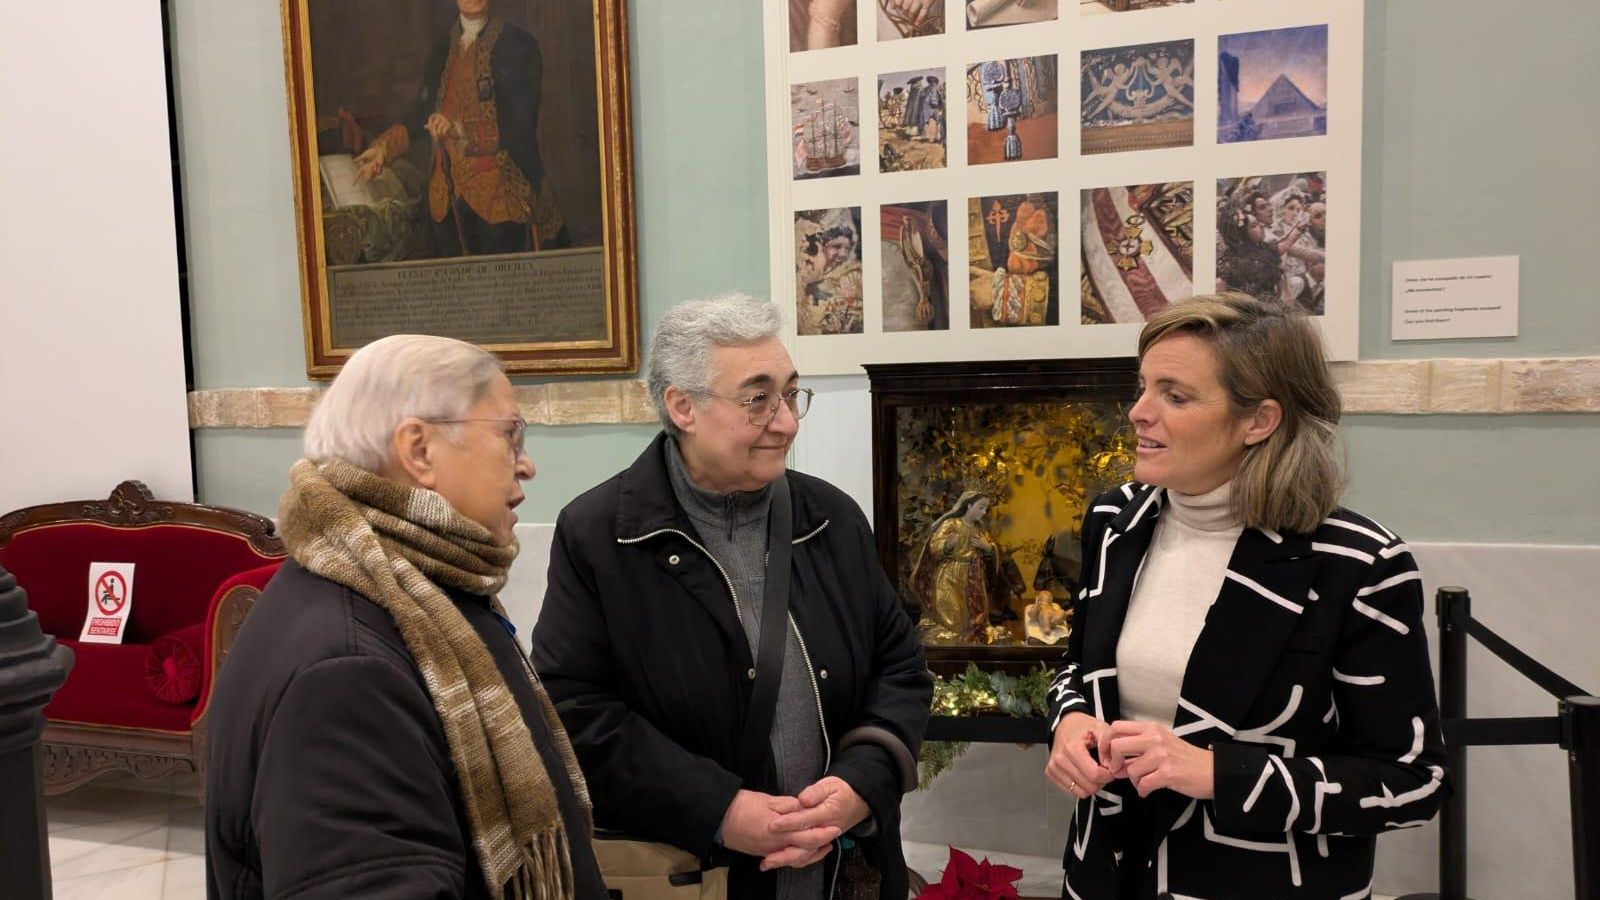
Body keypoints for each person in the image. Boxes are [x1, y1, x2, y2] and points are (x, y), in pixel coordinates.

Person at [1044, 294, 1447, 898]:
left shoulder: (1357, 563)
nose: (1137, 412)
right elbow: (1078, 665)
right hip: (1107, 871)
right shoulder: (1116, 521)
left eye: (1174, 396)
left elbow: (1413, 783)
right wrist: (1070, 719)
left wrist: (1219, 774)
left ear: (1259, 420)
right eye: (1143, 386)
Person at [531, 294, 932, 900]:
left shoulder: (832, 518)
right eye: (758, 398)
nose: (787, 422)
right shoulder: (601, 534)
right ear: (682, 406)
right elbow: (577, 711)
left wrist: (861, 784)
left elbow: (900, 666)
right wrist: (720, 809)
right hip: (702, 874)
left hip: (844, 873)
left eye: (791, 394)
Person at [205, 335, 605, 900]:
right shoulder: (347, 672)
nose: (527, 464)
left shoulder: (406, 589)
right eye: (508, 433)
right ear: (419, 450)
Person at [353, 0, 567, 256]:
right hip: (446, 203)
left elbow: (520, 126)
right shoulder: (442, 48)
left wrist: (459, 130)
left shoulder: (520, 45)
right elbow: (422, 113)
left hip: (505, 203)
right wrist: (383, 150)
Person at [909, 491, 997, 643]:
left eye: (985, 509)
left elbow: (990, 554)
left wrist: (987, 548)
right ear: (969, 505)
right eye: (981, 507)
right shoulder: (950, 524)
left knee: (973, 615)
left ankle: (968, 636)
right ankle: (951, 637)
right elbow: (933, 547)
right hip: (949, 575)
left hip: (972, 577)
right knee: (951, 613)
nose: (983, 512)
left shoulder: (980, 529)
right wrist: (948, 545)